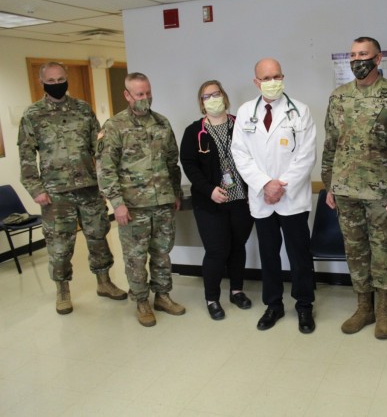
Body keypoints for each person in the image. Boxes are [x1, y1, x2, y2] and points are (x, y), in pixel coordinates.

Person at [322, 37, 387, 339]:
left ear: (378, 59)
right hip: (345, 189)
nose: (356, 60)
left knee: (382, 251)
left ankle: (383, 311)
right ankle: (363, 307)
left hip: (383, 192)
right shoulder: (339, 96)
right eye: (352, 55)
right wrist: (329, 184)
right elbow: (330, 143)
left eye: (363, 54)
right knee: (355, 251)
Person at [18, 61, 126, 315]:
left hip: (89, 187)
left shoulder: (83, 109)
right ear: (42, 83)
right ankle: (62, 290)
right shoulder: (32, 114)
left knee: (99, 236)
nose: (57, 85)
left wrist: (104, 182)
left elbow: (97, 149)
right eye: (51, 81)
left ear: (67, 79)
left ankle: (104, 282)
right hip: (55, 193)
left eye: (60, 80)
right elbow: (25, 156)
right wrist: (36, 189)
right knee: (59, 244)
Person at [231, 58, 317, 334]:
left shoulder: (300, 111)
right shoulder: (245, 112)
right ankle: (274, 305)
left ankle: (304, 305)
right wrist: (265, 184)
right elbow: (240, 155)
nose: (272, 82)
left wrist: (281, 185)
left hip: (292, 197)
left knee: (299, 255)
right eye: (266, 78)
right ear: (256, 82)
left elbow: (306, 155)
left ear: (283, 77)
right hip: (262, 198)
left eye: (277, 76)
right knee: (268, 255)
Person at [96, 72, 185, 327]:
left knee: (162, 253)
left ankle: (163, 296)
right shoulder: (114, 126)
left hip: (163, 202)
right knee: (136, 257)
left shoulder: (162, 123)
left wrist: (175, 192)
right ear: (127, 95)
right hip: (133, 206)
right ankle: (142, 301)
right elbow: (105, 169)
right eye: (139, 94)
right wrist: (117, 204)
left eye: (148, 92)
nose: (145, 98)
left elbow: (172, 161)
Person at [180, 80, 253, 320]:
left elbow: (255, 157)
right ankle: (212, 298)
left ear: (225, 96)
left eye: (216, 94)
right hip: (210, 201)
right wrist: (209, 189)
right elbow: (190, 166)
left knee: (237, 247)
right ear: (201, 103)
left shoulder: (240, 125)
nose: (212, 99)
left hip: (241, 200)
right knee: (216, 251)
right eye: (206, 96)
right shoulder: (194, 131)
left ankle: (237, 290)